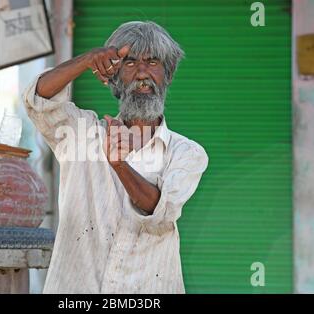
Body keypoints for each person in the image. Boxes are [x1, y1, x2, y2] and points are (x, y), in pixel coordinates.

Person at [23, 21, 209, 293]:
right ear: (114, 76)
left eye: (153, 62)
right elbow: (39, 100)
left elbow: (159, 214)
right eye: (130, 63)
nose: (142, 73)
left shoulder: (186, 153)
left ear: (167, 75)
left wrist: (119, 165)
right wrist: (87, 60)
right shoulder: (81, 134)